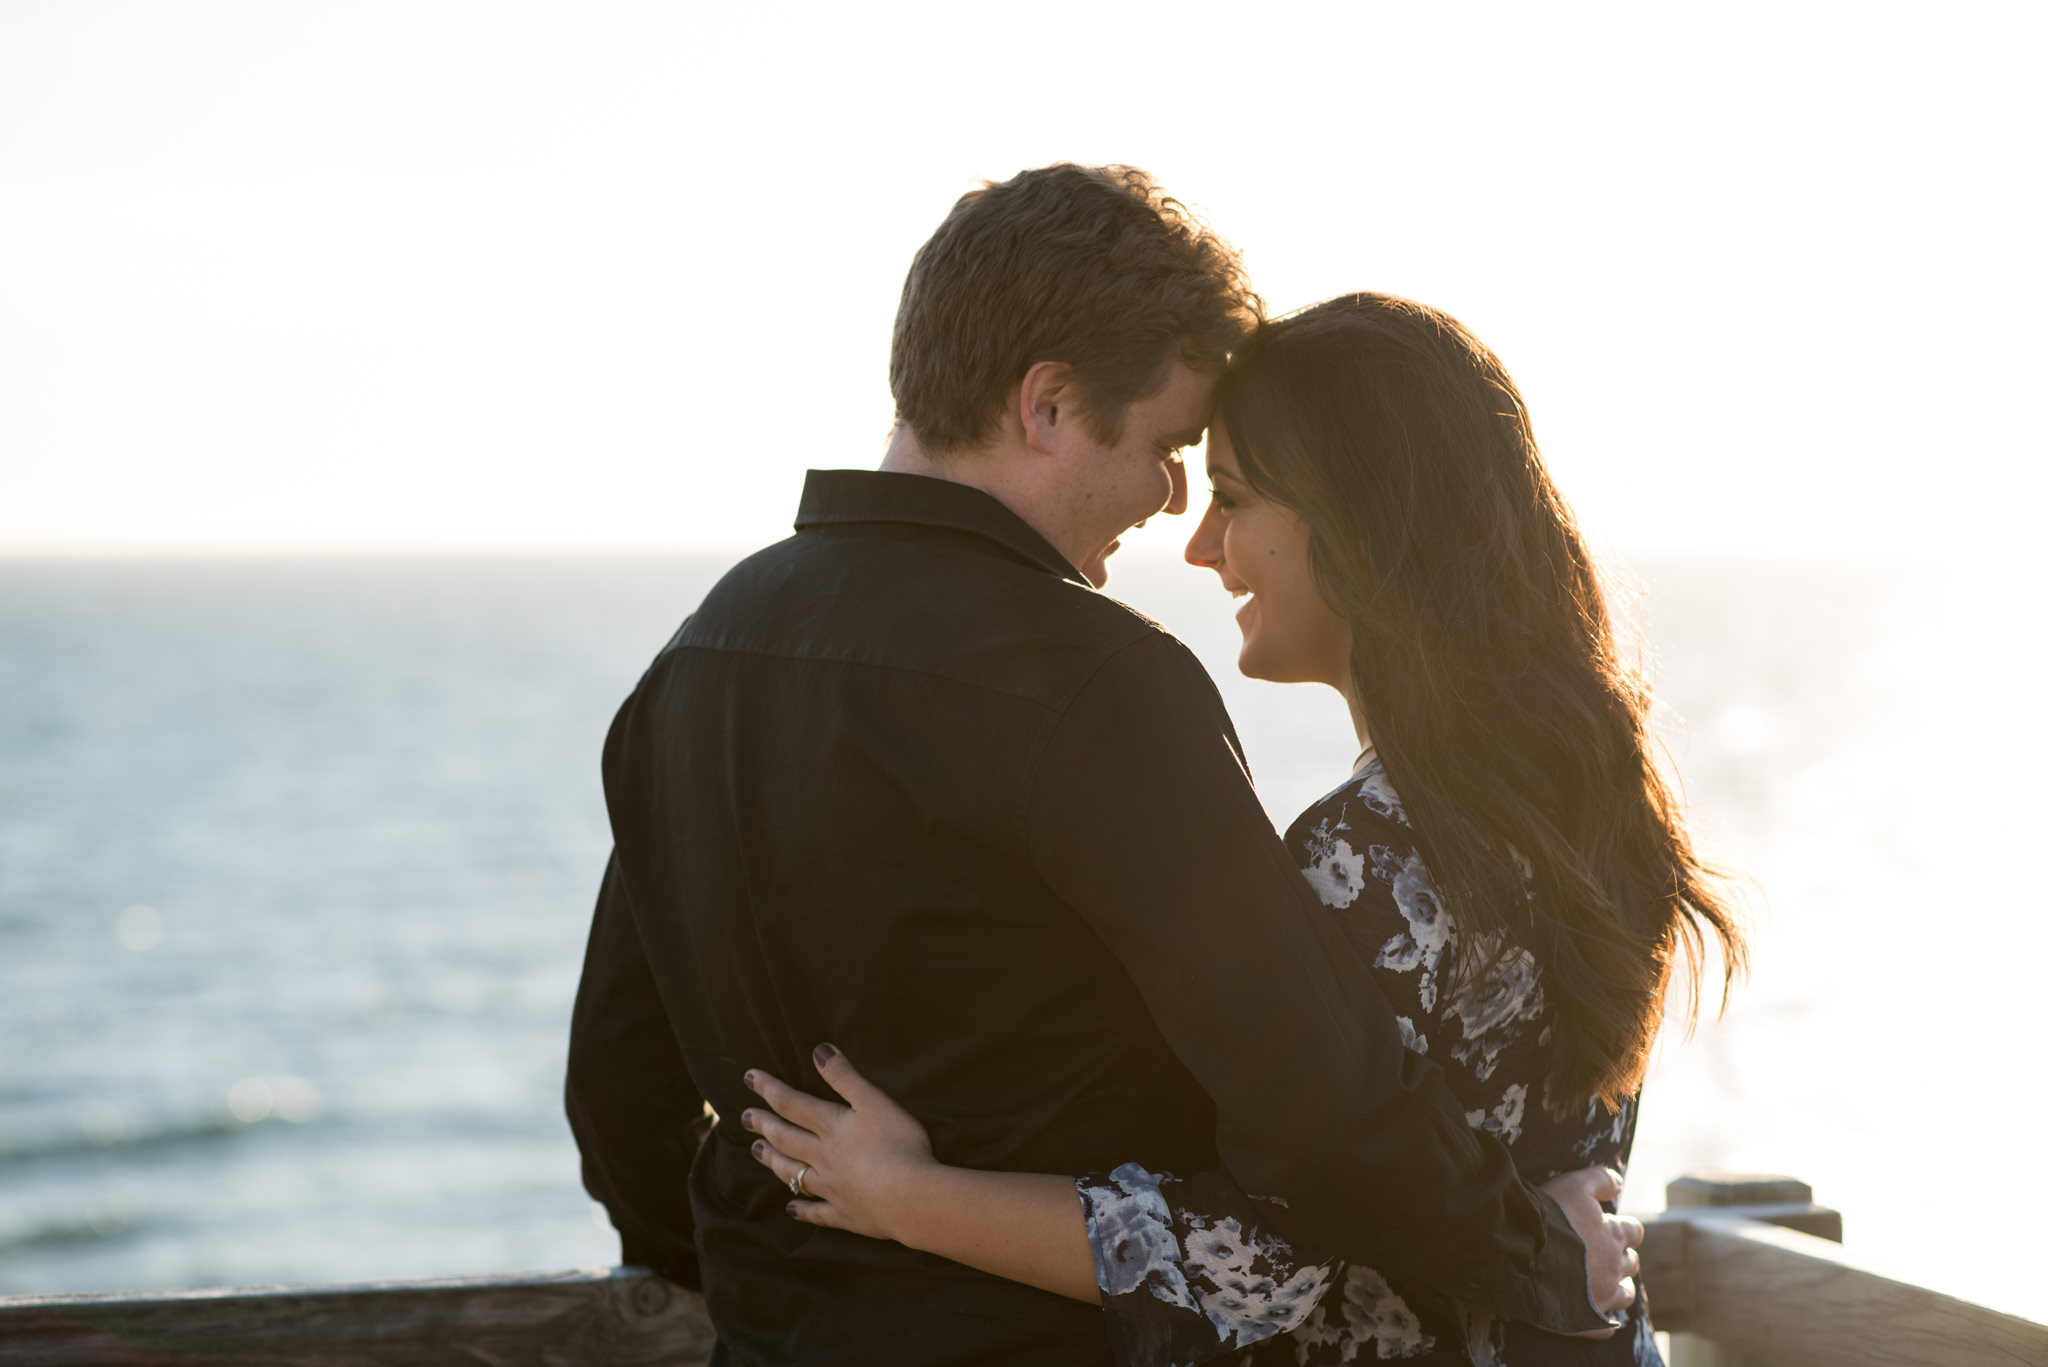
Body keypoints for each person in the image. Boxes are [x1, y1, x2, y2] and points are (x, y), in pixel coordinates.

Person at [565, 169, 1638, 1366]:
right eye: (1168, 445)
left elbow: (617, 1087)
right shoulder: (1094, 685)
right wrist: (1543, 1263)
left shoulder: (696, 660)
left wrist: (770, 1287)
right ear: (1048, 405)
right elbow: (1316, 1111)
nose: (1169, 500)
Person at [736, 293, 1746, 1364]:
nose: (1203, 545)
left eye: (1231, 497)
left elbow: (1258, 1258)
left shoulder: (1371, 853)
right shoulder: (1592, 802)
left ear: (1357, 521)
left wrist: (905, 1193)